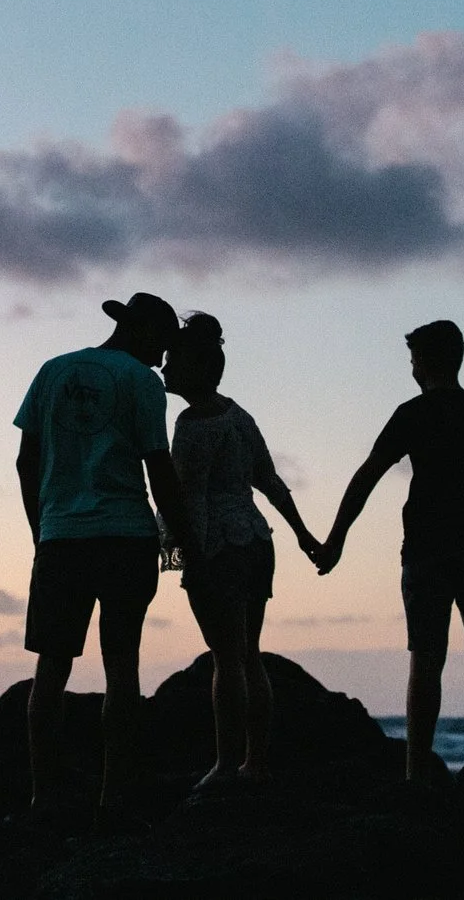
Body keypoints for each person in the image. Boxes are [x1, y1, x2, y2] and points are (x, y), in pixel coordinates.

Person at [313, 319, 464, 781]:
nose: (410, 368)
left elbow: (366, 476)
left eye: (412, 360)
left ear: (424, 361)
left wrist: (336, 540)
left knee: (426, 661)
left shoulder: (412, 413)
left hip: (427, 552)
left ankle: (414, 775)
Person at [14, 291, 196, 816]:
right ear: (141, 332)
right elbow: (157, 467)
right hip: (125, 538)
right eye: (162, 343)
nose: (165, 357)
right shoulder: (141, 382)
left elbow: (28, 461)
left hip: (61, 538)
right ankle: (114, 795)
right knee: (122, 667)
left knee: (50, 670)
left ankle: (42, 796)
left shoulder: (52, 371)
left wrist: (41, 530)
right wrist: (184, 538)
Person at [161, 311, 323, 791]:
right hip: (255, 540)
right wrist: (302, 534)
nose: (164, 370)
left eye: (171, 362)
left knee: (226, 659)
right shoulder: (239, 415)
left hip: (219, 548)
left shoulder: (191, 425)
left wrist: (185, 560)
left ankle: (226, 764)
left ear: (192, 368)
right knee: (248, 655)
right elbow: (269, 481)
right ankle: (255, 760)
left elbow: (185, 501)